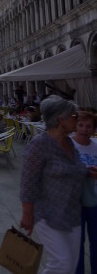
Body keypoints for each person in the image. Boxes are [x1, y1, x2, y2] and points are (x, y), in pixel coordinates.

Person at [20, 96, 97, 273]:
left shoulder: (69, 143)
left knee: (71, 265)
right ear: (61, 120)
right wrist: (27, 213)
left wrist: (88, 172)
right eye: (74, 116)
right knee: (61, 263)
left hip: (72, 213)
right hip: (47, 213)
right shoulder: (39, 145)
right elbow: (28, 182)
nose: (78, 120)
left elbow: (74, 168)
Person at [72, 111, 97, 274]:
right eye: (81, 125)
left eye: (89, 126)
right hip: (74, 201)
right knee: (76, 243)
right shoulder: (67, 145)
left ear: (94, 129)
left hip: (95, 199)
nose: (84, 129)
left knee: (96, 241)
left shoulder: (96, 145)